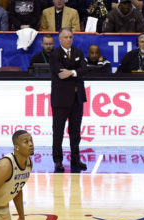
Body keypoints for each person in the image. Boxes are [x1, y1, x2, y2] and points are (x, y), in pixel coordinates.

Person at [50, 28, 87, 173]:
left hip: (77, 99)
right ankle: (58, 160)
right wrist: (76, 72)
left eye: (71, 37)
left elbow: (85, 69)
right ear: (60, 39)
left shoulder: (78, 52)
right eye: (65, 37)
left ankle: (75, 158)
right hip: (61, 100)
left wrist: (72, 72)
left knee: (75, 131)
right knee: (58, 131)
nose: (68, 39)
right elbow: (61, 74)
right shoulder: (55, 55)